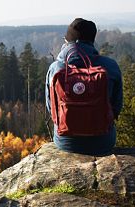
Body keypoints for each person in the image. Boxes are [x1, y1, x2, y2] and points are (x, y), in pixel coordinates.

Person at [45, 18, 123, 156]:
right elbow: (117, 106)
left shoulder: (55, 69)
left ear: (66, 41)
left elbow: (51, 108)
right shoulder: (110, 66)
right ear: (92, 41)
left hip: (65, 142)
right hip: (102, 141)